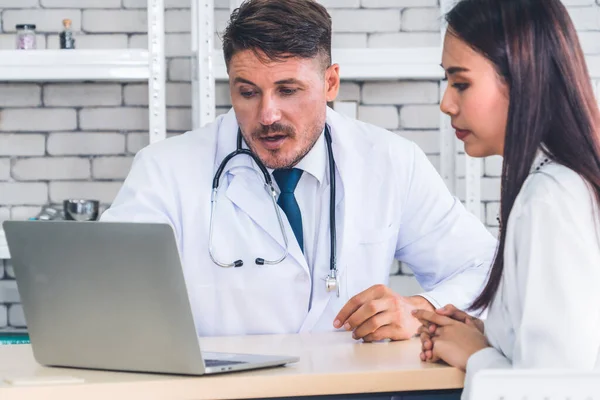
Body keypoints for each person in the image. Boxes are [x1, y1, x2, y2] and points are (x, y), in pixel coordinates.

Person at [101, 0, 496, 340]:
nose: (267, 115)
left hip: (350, 390)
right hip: (225, 393)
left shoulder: (390, 162)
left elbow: (482, 269)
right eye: (247, 92)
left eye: (288, 90)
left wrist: (420, 308)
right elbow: (104, 290)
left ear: (330, 83)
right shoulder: (165, 170)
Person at [413, 0, 600, 397]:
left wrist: (478, 356)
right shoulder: (564, 184)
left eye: (460, 83)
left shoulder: (549, 199)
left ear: (521, 78)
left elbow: (563, 390)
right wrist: (495, 337)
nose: (446, 103)